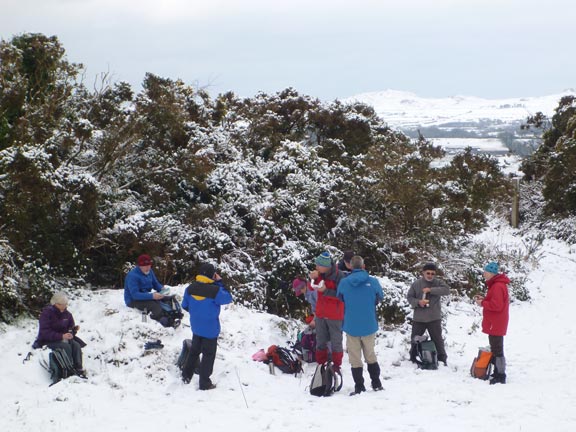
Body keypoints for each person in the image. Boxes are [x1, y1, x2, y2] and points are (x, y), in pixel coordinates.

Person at [337, 256, 384, 395]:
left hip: (351, 324)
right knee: (370, 355)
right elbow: (379, 297)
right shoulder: (373, 281)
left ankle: (359, 386)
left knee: (355, 358)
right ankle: (376, 383)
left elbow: (340, 298)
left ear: (350, 267)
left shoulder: (344, 283)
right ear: (363, 266)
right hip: (369, 323)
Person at [181, 262, 233, 390]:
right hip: (210, 329)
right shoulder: (216, 291)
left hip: (196, 326)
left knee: (194, 351)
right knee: (208, 355)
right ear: (213, 275)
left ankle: (186, 375)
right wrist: (220, 282)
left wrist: (196, 312)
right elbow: (228, 298)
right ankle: (204, 383)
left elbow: (184, 305)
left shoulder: (190, 288)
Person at [406, 262, 450, 365]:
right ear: (423, 273)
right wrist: (418, 302)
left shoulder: (438, 282)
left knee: (438, 339)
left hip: (434, 317)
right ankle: (413, 357)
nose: (430, 275)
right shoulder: (416, 284)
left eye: (432, 273)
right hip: (419, 318)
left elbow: (447, 290)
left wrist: (431, 290)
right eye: (428, 273)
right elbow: (409, 297)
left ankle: (442, 358)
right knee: (415, 339)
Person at [309, 251, 345, 371]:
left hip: (335, 315)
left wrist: (326, 290)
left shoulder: (339, 275)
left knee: (336, 342)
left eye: (318, 265)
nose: (316, 267)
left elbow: (342, 295)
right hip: (321, 314)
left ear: (325, 266)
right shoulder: (319, 274)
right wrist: (312, 279)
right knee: (320, 341)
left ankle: (336, 366)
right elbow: (311, 288)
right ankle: (321, 365)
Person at [475, 262, 510, 385]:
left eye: (486, 272)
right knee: (496, 348)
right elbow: (495, 302)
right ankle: (497, 372)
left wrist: (482, 303)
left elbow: (496, 305)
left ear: (491, 273)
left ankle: (500, 375)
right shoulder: (496, 285)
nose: (484, 274)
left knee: (497, 349)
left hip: (496, 322)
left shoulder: (497, 286)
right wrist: (484, 300)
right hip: (496, 321)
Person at [35, 292, 85, 375]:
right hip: (49, 340)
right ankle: (68, 370)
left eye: (65, 304)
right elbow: (44, 332)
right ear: (56, 304)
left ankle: (79, 368)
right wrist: (61, 336)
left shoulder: (67, 314)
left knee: (76, 345)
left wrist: (73, 330)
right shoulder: (46, 314)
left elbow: (70, 327)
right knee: (65, 347)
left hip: (64, 338)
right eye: (62, 304)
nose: (65, 306)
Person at [124, 254, 168, 326]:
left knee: (164, 300)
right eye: (145, 266)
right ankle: (162, 321)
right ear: (139, 266)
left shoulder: (150, 271)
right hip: (133, 300)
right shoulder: (132, 276)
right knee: (154, 305)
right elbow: (135, 295)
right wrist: (152, 296)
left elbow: (155, 283)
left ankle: (170, 316)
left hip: (145, 295)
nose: (147, 268)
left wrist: (161, 289)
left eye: (149, 265)